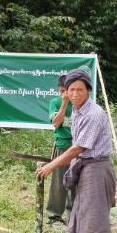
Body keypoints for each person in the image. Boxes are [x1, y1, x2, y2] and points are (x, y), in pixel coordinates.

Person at [36, 69, 115, 233]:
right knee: (96, 221)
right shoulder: (78, 110)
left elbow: (79, 147)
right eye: (71, 90)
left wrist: (51, 165)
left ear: (88, 90)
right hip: (89, 167)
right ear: (65, 92)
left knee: (90, 224)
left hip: (96, 169)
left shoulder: (93, 114)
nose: (75, 93)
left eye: (80, 89)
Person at [46, 74, 73, 224]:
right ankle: (54, 216)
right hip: (63, 145)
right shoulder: (55, 102)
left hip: (78, 147)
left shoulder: (79, 103)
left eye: (66, 91)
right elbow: (56, 123)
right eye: (61, 91)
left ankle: (74, 216)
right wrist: (64, 102)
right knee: (59, 182)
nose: (64, 94)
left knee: (76, 182)